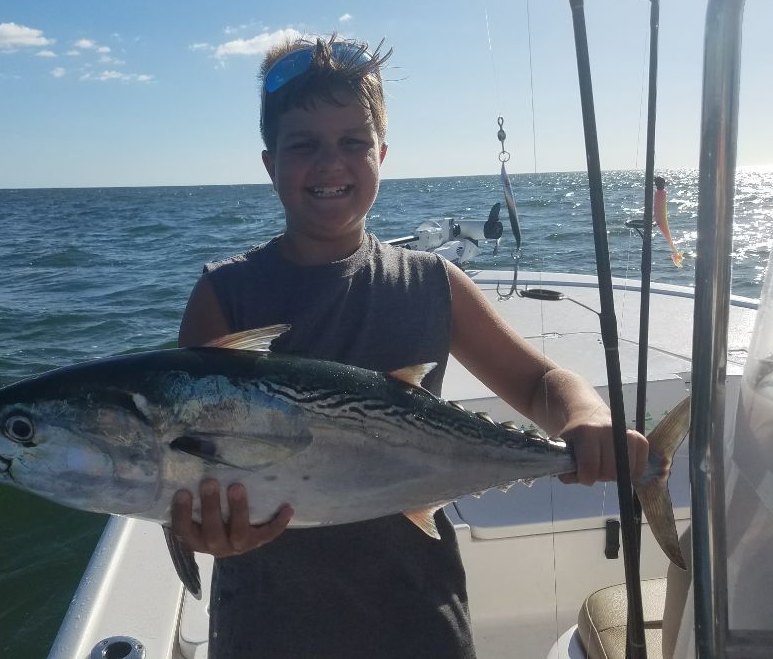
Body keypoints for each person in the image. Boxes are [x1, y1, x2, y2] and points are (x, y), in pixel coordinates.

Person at [171, 34, 649, 658]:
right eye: (303, 146)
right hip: (268, 625)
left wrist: (585, 416)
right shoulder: (224, 295)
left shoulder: (431, 284)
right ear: (270, 163)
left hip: (418, 615)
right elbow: (187, 467)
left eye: (352, 143)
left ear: (382, 154)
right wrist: (202, 534)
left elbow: (537, 384)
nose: (329, 164)